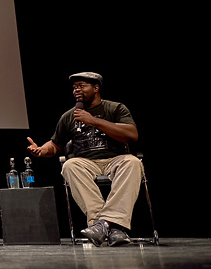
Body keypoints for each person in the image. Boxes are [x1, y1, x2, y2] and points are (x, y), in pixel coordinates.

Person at [27, 72, 143, 247]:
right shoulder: (69, 116)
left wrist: (94, 121)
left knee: (133, 162)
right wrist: (42, 150)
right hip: (86, 162)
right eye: (74, 87)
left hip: (116, 159)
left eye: (81, 86)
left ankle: (102, 225)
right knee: (70, 165)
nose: (76, 90)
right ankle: (109, 225)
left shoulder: (115, 108)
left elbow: (131, 135)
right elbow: (55, 144)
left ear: (96, 88)